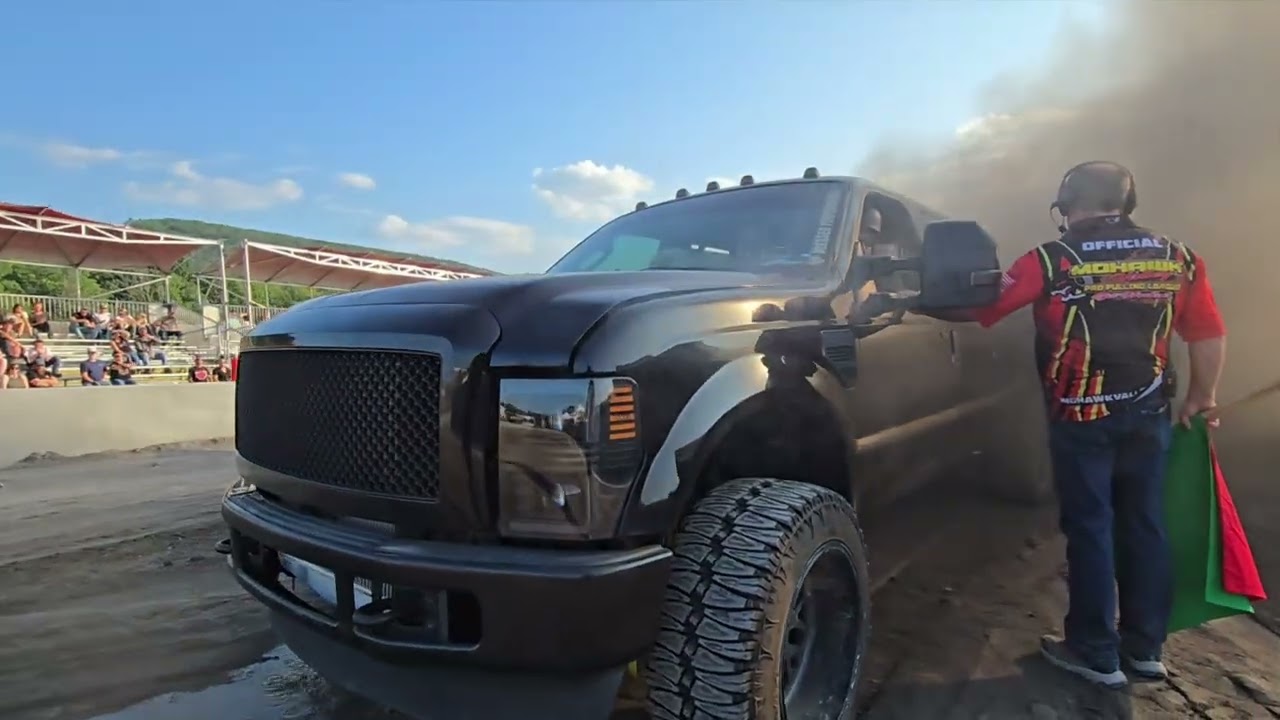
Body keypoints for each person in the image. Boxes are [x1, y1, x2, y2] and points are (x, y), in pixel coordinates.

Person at [968, 161, 1227, 688]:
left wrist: (917, 297)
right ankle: (1145, 649)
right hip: (1149, 413)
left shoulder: (1050, 257)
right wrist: (1203, 396)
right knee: (1144, 524)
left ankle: (1094, 652)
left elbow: (985, 307)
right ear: (1127, 204)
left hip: (1079, 416)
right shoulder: (1179, 257)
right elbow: (1207, 332)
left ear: (1066, 206)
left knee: (1091, 526)